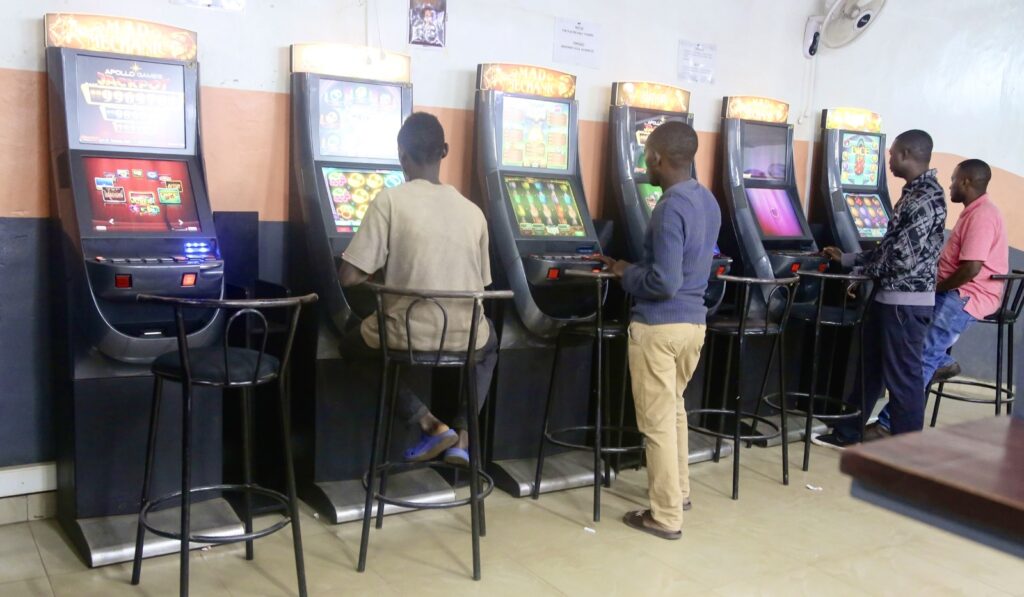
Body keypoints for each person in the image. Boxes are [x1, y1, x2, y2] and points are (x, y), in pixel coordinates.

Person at [338, 112, 495, 466]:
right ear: (445, 151)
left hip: (406, 335)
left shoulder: (390, 201)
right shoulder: (474, 212)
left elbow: (349, 276)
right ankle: (463, 438)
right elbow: (482, 282)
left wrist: (384, 270)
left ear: (402, 156)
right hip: (465, 336)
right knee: (491, 344)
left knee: (351, 346)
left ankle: (429, 423)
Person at [595, 121, 721, 540]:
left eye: (646, 155)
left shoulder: (669, 207)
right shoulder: (707, 200)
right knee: (674, 410)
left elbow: (664, 282)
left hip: (660, 327)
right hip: (694, 325)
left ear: (657, 157)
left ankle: (665, 516)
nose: (645, 163)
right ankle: (679, 493)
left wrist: (625, 272)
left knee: (657, 424)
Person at [814, 130, 947, 448]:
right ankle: (848, 432)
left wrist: (861, 273)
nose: (888, 159)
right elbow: (890, 248)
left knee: (903, 379)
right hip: (890, 299)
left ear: (906, 154)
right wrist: (849, 259)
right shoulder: (915, 194)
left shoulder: (924, 198)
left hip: (904, 304)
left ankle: (905, 452)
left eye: (892, 153)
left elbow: (902, 258)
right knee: (869, 369)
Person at [875, 159, 1008, 432]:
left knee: (921, 357)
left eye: (954, 180)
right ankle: (942, 361)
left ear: (966, 182)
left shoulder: (982, 216)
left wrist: (936, 288)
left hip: (966, 294)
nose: (950, 185)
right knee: (914, 348)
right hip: (956, 290)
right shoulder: (975, 211)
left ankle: (887, 426)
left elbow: (971, 269)